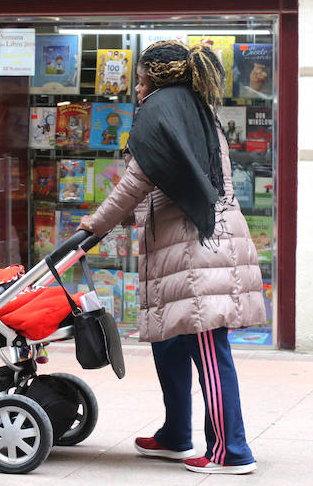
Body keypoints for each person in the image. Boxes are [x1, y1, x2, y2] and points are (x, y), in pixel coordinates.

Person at [80, 40, 265, 475]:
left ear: (155, 80)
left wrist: (98, 223)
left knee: (208, 350)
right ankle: (176, 433)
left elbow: (136, 180)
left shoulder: (162, 112)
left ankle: (231, 451)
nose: (138, 89)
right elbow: (167, 180)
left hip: (199, 251)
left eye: (140, 80)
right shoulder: (193, 109)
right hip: (189, 245)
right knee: (170, 343)